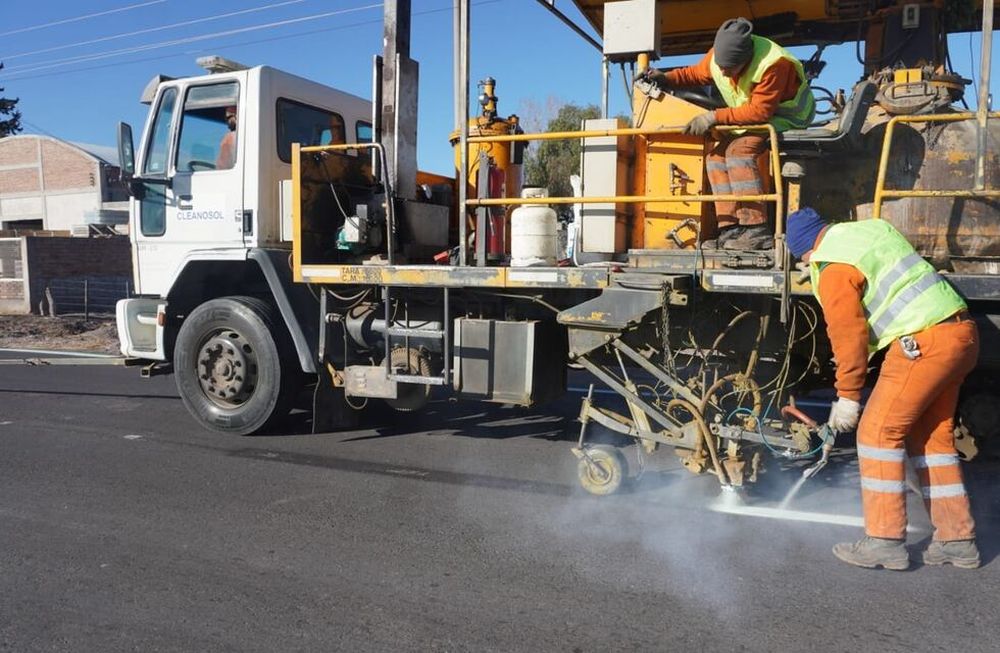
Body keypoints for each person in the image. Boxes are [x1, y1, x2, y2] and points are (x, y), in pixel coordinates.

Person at [786, 208, 980, 571]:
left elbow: (848, 336)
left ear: (805, 251)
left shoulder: (832, 267)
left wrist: (847, 396)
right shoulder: (869, 233)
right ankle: (957, 540)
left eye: (802, 259)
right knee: (932, 441)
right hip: (961, 333)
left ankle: (884, 541)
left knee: (877, 434)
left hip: (924, 343)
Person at [642, 18, 815, 250]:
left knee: (739, 151)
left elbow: (760, 112)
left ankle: (757, 229)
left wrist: (713, 117)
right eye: (720, 67)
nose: (722, 72)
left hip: (787, 117)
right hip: (749, 118)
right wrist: (665, 77)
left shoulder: (775, 64)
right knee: (715, 157)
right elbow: (696, 73)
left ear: (745, 59)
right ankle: (730, 228)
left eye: (728, 69)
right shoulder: (719, 57)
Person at [216, 105, 238, 170]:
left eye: (228, 118)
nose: (226, 121)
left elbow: (221, 167)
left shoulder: (229, 138)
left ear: (237, 116)